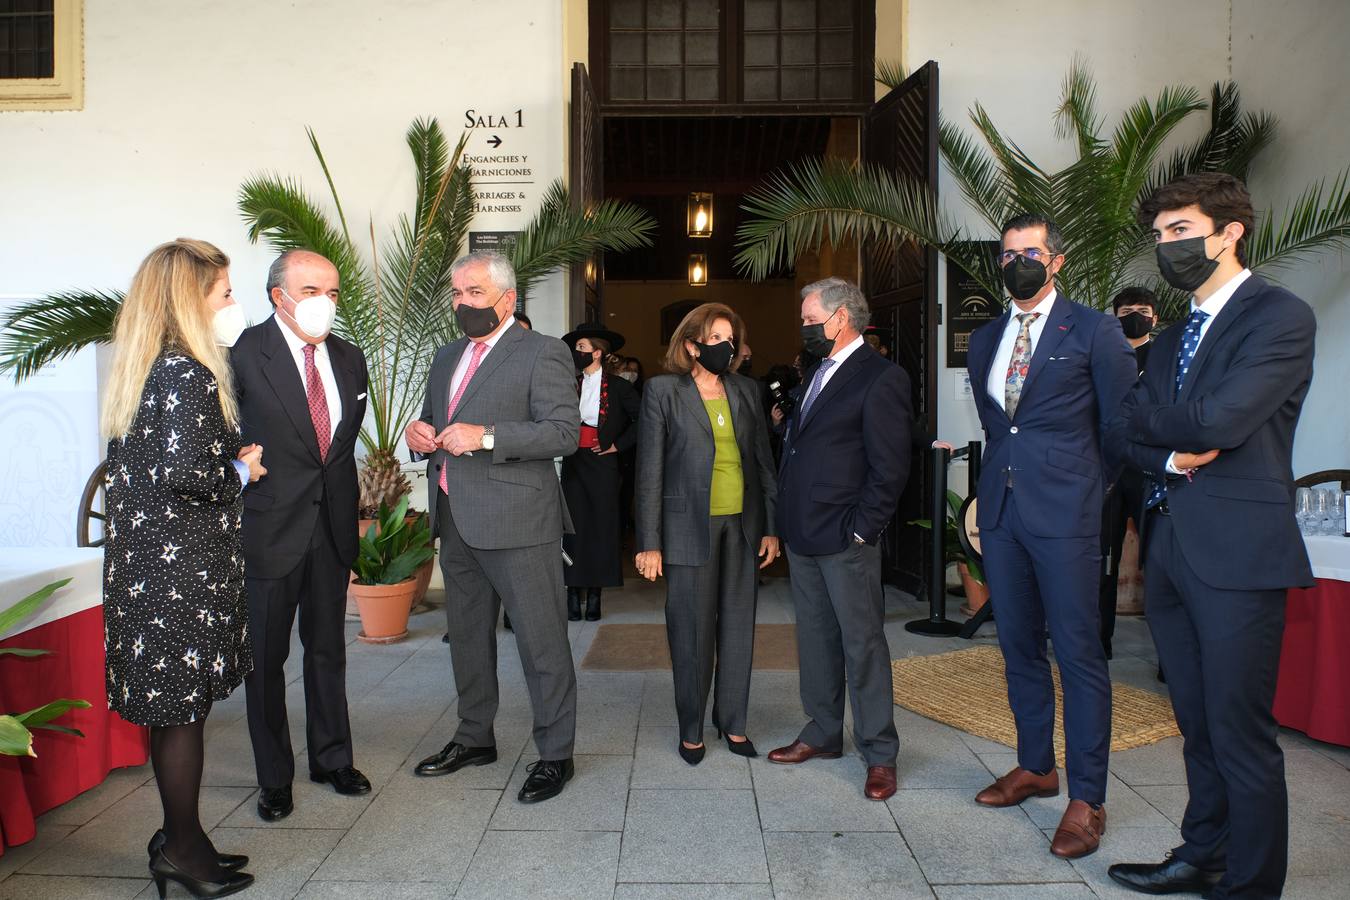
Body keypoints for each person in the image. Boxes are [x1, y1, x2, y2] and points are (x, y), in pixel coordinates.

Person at [1105, 173, 1316, 899]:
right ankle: (1204, 854)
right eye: (1161, 235)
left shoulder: (1277, 317)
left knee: (1241, 736)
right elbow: (1126, 425)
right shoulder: (1168, 339)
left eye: (1182, 231)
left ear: (1229, 233)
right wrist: (1170, 449)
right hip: (1170, 547)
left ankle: (1251, 886)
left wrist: (1176, 425)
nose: (1168, 247)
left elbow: (1221, 422)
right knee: (1195, 724)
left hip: (1236, 554)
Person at [964, 214, 1136, 858]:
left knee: (1078, 655)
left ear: (1056, 260)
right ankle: (1037, 766)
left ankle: (1087, 798)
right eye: (1008, 254)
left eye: (1030, 252)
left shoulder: (1095, 330)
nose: (1018, 263)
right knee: (1017, 649)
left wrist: (1083, 491)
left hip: (1066, 518)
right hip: (1003, 517)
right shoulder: (984, 339)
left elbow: (1119, 431)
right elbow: (997, 425)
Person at [101, 238, 260, 897]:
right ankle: (182, 850)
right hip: (179, 576)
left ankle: (180, 838)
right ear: (191, 301)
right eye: (224, 292)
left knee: (172, 713)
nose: (233, 303)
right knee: (182, 715)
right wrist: (242, 469)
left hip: (147, 569)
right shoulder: (188, 373)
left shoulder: (145, 365)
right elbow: (188, 474)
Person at [405, 251, 581, 803]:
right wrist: (422, 432)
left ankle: (555, 754)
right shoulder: (445, 356)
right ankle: (474, 737)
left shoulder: (543, 353)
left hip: (520, 522)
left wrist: (485, 437)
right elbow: (441, 421)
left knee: (541, 642)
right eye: (457, 294)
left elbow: (562, 433)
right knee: (468, 640)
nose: (463, 304)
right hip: (457, 519)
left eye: (474, 294)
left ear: (507, 299)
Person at [231, 250, 371, 823]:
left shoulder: (349, 357)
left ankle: (332, 757)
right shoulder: (241, 356)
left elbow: (335, 452)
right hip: (269, 528)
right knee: (266, 659)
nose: (324, 304)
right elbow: (222, 438)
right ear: (277, 295)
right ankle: (274, 777)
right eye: (311, 290)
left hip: (330, 527)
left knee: (328, 649)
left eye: (333, 293)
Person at [767, 278, 911, 802]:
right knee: (815, 639)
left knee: (862, 644)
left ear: (840, 318)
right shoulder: (816, 372)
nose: (803, 328)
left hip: (845, 536)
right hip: (804, 532)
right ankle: (823, 732)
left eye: (810, 319)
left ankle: (879, 751)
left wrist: (862, 527)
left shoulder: (880, 377)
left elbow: (890, 466)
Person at [636, 302, 779, 764]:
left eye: (730, 337)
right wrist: (650, 542)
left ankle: (733, 722)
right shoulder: (663, 392)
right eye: (716, 338)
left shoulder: (745, 390)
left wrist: (771, 527)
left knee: (738, 628)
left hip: (742, 525)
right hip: (685, 528)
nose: (727, 345)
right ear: (692, 345)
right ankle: (692, 728)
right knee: (691, 631)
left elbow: (762, 462)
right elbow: (649, 470)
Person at [561, 322, 641, 621]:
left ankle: (595, 595)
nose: (576, 353)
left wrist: (617, 446)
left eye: (581, 348)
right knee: (572, 527)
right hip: (573, 462)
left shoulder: (619, 387)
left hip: (604, 464)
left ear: (596, 353)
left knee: (601, 528)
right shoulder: (569, 383)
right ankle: (572, 592)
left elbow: (643, 419)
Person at [1099, 286, 1158, 657]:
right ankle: (1098, 640)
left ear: (1155, 316)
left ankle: (1169, 655)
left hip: (1151, 467)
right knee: (1103, 558)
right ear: (1114, 316)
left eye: (1142, 309)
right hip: (1108, 469)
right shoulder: (1104, 356)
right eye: (1125, 310)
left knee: (1160, 559)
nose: (1133, 315)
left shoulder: (1165, 356)